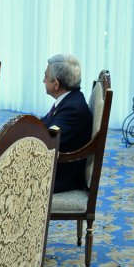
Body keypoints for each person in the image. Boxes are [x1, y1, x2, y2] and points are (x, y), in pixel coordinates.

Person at [42, 53, 93, 191]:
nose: (43, 80)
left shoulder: (73, 109)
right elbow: (46, 122)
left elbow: (49, 141)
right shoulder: (71, 99)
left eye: (46, 76)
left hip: (60, 176)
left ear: (56, 84)